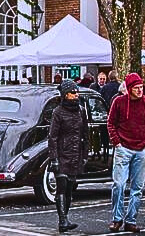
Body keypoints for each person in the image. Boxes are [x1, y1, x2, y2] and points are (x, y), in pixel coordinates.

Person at [107, 73, 145, 233]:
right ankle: (117, 219)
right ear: (129, 89)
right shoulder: (119, 102)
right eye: (136, 88)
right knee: (119, 184)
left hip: (142, 149)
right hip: (123, 148)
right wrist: (117, 142)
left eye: (141, 87)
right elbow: (111, 123)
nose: (140, 90)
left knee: (137, 188)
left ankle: (131, 220)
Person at [49, 79, 88, 232]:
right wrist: (54, 158)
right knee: (62, 186)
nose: (76, 94)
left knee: (70, 188)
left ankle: (66, 216)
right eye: (73, 92)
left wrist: (85, 154)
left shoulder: (81, 110)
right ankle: (62, 220)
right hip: (62, 153)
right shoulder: (57, 112)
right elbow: (52, 137)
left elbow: (86, 133)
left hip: (75, 153)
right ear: (66, 95)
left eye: (77, 91)